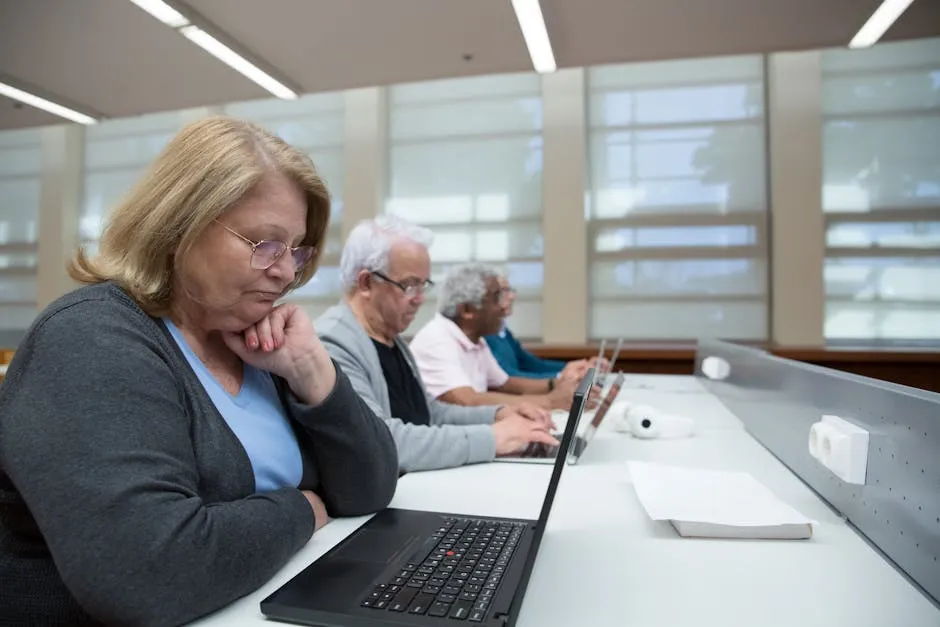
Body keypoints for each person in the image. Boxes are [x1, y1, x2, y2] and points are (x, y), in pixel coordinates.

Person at [0, 116, 398, 626]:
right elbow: (144, 575)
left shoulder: (258, 341)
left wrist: (311, 371)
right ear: (178, 226)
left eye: (296, 250)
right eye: (264, 243)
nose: (284, 271)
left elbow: (370, 487)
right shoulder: (91, 337)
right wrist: (302, 510)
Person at [315, 216, 559, 473]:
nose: (420, 299)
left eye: (424, 285)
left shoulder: (391, 339)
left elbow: (430, 414)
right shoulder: (333, 343)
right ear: (366, 283)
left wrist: (497, 414)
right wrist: (492, 438)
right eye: (409, 285)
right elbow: (383, 440)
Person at [409, 263, 581, 410]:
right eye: (497, 298)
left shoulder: (476, 339)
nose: (503, 307)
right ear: (467, 310)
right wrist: (550, 401)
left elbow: (506, 383)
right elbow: (467, 400)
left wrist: (558, 384)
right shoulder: (436, 340)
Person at [485, 275, 599, 380]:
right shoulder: (484, 334)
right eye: (504, 291)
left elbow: (532, 364)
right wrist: (561, 377)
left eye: (510, 290)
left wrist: (577, 367)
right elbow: (507, 378)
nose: (512, 296)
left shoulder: (503, 331)